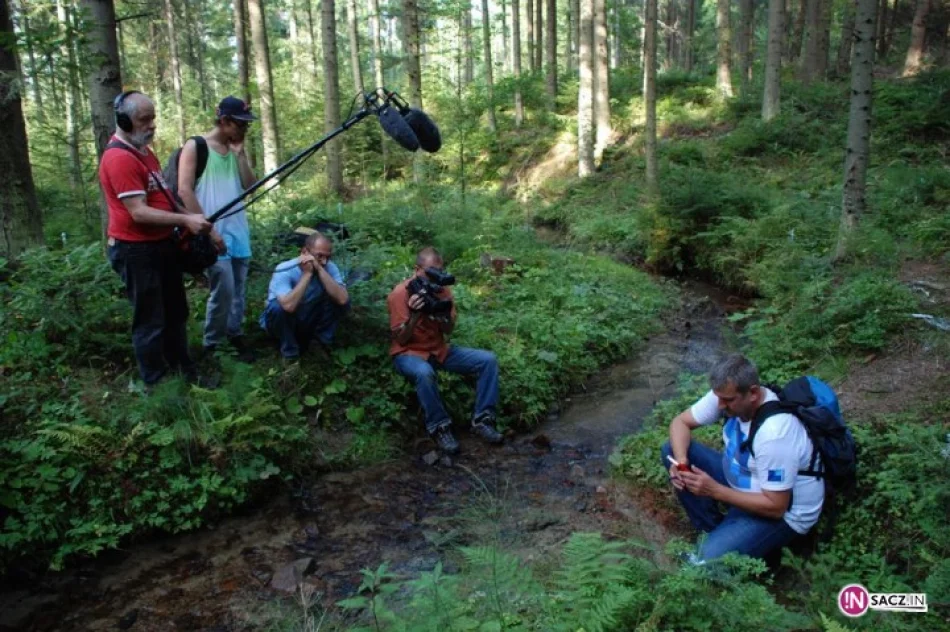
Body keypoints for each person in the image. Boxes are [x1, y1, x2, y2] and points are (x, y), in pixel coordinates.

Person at [661, 354, 824, 562]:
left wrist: (715, 490)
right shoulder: (728, 396)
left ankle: (736, 545)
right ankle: (713, 530)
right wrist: (682, 463)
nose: (719, 405)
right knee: (672, 449)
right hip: (745, 481)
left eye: (727, 400)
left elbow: (776, 507)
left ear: (753, 393)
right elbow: (680, 423)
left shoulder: (775, 434)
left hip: (783, 513)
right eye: (718, 397)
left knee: (703, 564)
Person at [100, 90, 212, 387]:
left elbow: (163, 198)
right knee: (150, 319)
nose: (152, 125)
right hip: (136, 251)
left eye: (153, 118)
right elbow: (139, 212)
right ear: (124, 121)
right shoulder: (119, 159)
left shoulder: (145, 152)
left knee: (176, 312)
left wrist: (191, 219)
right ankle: (159, 386)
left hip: (162, 246)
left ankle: (184, 373)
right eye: (144, 119)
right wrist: (186, 219)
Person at [387, 247, 503, 455]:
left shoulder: (442, 289)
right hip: (408, 353)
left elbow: (448, 331)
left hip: (438, 350)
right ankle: (440, 427)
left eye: (439, 271)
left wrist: (443, 316)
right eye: (431, 271)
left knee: (488, 360)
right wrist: (415, 315)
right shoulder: (399, 294)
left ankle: (483, 420)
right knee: (424, 373)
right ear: (417, 269)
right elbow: (401, 339)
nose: (436, 276)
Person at [177, 96, 257, 361]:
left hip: (239, 231)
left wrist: (241, 155)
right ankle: (213, 344)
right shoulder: (196, 146)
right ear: (224, 121)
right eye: (241, 125)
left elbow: (250, 186)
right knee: (223, 289)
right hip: (212, 234)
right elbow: (184, 190)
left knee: (239, 289)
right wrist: (209, 231)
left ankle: (235, 335)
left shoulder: (234, 151)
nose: (245, 130)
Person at [260, 232, 349, 359]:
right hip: (283, 321)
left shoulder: (330, 267)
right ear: (305, 252)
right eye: (319, 256)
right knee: (277, 307)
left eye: (328, 257)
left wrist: (319, 269)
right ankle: (290, 352)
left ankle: (319, 342)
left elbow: (342, 299)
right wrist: (307, 274)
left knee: (339, 295)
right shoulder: (285, 269)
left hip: (308, 317)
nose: (324, 261)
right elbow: (288, 306)